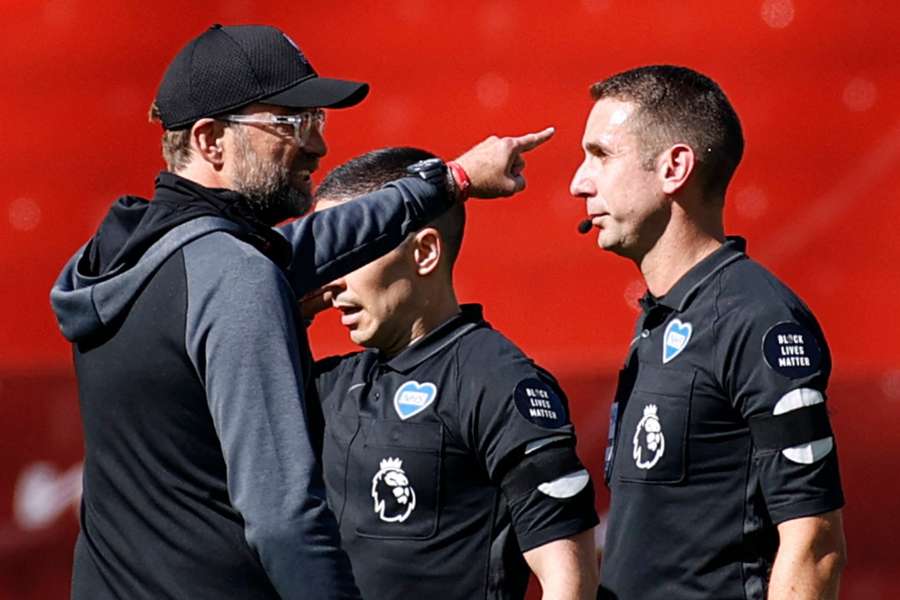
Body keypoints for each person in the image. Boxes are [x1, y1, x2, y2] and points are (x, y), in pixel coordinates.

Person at [49, 24, 552, 600]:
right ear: (212, 141)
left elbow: (314, 242)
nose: (317, 146)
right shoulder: (233, 276)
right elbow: (284, 519)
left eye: (317, 122)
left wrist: (452, 179)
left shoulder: (122, 259)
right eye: (291, 124)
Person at [568, 65, 846, 600]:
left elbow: (815, 541)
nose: (579, 182)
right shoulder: (664, 315)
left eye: (600, 155)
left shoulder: (757, 318)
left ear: (675, 168)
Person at [307, 147, 600, 600]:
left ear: (424, 253)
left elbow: (569, 578)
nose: (330, 280)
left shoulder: (497, 381)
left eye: (349, 252)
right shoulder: (330, 385)